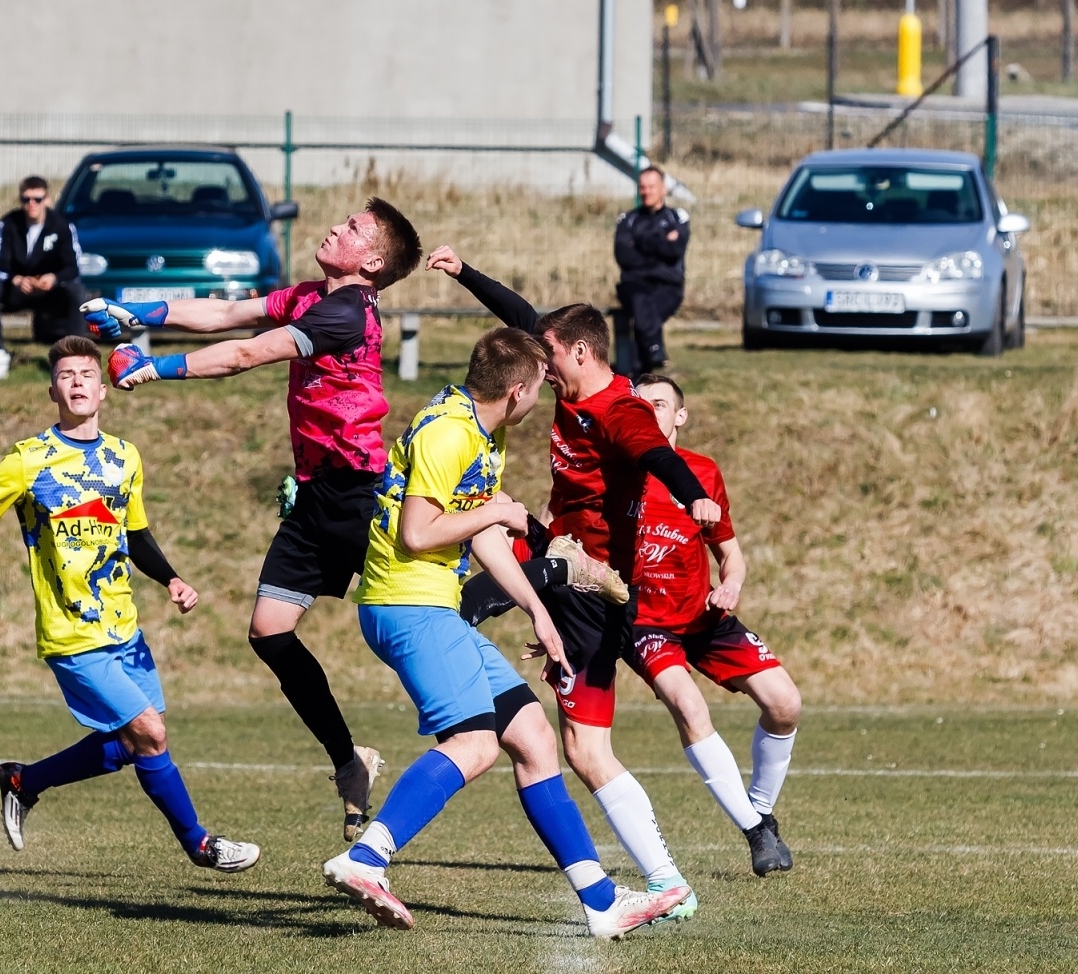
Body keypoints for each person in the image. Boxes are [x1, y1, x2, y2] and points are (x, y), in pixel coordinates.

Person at [320, 327, 690, 938]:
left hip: (431, 604)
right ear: (517, 390)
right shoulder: (448, 432)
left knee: (534, 737)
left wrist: (539, 614)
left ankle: (601, 903)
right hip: (407, 604)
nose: (544, 398)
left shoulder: (479, 434)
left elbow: (484, 537)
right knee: (477, 745)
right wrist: (496, 510)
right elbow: (418, 533)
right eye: (540, 387)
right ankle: (365, 859)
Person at [77, 199, 422, 842]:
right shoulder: (315, 295)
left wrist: (158, 367)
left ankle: (533, 582)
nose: (336, 227)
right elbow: (227, 313)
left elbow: (245, 354)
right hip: (316, 496)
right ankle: (351, 765)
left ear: (372, 261)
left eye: (353, 229)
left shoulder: (346, 312)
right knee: (269, 632)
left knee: (420, 620)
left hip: (359, 497)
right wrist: (139, 311)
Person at [427, 244, 719, 922]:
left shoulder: (621, 411)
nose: (542, 370)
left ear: (580, 354)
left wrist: (693, 499)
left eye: (550, 358)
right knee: (493, 535)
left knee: (585, 749)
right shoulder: (570, 375)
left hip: (591, 586)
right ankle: (667, 880)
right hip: (561, 554)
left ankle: (667, 881)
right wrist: (465, 271)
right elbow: (526, 316)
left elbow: (655, 455)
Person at [0, 335, 260, 873]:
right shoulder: (30, 459)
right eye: (66, 376)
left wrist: (172, 579)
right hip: (72, 631)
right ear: (52, 391)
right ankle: (200, 845)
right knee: (150, 734)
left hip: (124, 628)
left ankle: (24, 781)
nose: (77, 383)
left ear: (103, 388)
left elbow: (135, 534)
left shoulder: (122, 457)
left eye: (87, 374)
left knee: (136, 744)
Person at [628, 373, 801, 876]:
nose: (650, 412)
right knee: (689, 705)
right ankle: (755, 834)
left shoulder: (702, 472)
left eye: (660, 404)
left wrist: (731, 584)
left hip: (704, 617)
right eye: (640, 406)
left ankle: (761, 812)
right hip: (646, 625)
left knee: (785, 704)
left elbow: (730, 553)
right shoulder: (621, 475)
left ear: (680, 415)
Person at [0, 175, 88, 382]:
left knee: (77, 292)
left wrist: (53, 278)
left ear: (47, 199)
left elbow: (73, 268)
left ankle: (73, 358)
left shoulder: (61, 226)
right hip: (18, 290)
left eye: (37, 199)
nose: (31, 204)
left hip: (50, 291)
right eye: (26, 199)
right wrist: (17, 279)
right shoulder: (9, 223)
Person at [613, 166, 689, 377]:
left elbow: (674, 251)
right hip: (634, 285)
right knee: (641, 300)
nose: (646, 192)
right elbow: (624, 257)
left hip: (668, 285)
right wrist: (660, 243)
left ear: (663, 189)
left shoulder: (677, 218)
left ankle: (633, 374)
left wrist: (640, 242)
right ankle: (653, 351)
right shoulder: (628, 220)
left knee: (645, 312)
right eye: (642, 187)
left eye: (651, 187)